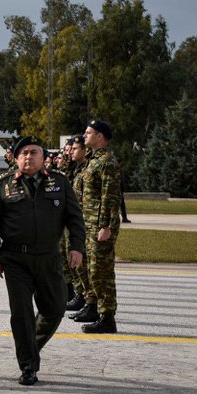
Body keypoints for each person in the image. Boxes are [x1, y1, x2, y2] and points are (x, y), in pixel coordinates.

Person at [0, 136, 86, 386]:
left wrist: (77, 247)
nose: (28, 157)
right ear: (16, 159)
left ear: (43, 157)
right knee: (22, 313)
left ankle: (29, 346)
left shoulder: (59, 183)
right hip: (15, 259)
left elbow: (74, 218)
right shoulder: (1, 185)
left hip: (49, 257)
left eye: (33, 152)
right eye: (23, 153)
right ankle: (28, 366)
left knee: (55, 308)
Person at [79, 120, 123, 334]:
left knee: (101, 272)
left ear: (100, 137)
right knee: (91, 270)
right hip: (89, 224)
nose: (84, 135)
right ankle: (97, 310)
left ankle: (108, 318)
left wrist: (106, 226)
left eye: (88, 133)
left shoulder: (107, 162)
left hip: (100, 226)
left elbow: (110, 196)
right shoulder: (92, 160)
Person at [65, 134, 96, 317]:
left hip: (86, 224)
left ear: (84, 150)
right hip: (77, 222)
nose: (70, 153)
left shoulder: (87, 169)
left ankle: (90, 301)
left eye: (74, 149)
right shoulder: (77, 169)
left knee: (85, 265)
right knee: (77, 263)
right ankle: (82, 296)